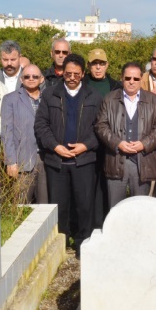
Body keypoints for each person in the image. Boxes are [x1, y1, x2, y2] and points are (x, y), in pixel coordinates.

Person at [35, 55, 102, 246]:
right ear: (62, 73)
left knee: (84, 205)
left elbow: (101, 127)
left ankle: (83, 243)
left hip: (84, 160)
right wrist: (55, 146)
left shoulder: (94, 96)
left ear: (82, 74)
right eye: (68, 73)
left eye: (76, 74)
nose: (72, 77)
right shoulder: (49, 94)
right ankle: (60, 243)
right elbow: (41, 124)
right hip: (57, 161)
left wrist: (86, 145)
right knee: (60, 206)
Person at [95, 62, 156, 208]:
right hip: (116, 161)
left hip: (143, 162)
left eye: (136, 79)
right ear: (122, 78)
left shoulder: (154, 100)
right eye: (128, 78)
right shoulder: (109, 99)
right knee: (115, 209)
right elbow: (101, 126)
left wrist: (144, 144)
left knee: (140, 210)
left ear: (141, 79)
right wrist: (117, 143)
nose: (131, 82)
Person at [82, 48, 122, 228]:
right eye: (94, 64)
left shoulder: (116, 86)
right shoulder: (80, 85)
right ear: (88, 66)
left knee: (109, 188)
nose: (98, 67)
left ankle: (109, 225)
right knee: (88, 188)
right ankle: (88, 226)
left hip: (110, 144)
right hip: (86, 144)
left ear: (107, 65)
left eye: (101, 64)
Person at [2, 64, 48, 204]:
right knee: (21, 206)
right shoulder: (10, 99)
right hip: (22, 159)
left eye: (35, 76)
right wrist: (11, 161)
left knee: (44, 206)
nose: (31, 79)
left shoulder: (49, 98)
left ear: (42, 79)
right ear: (21, 79)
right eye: (27, 76)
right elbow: (6, 131)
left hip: (45, 159)